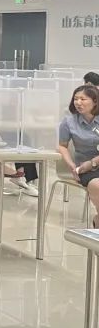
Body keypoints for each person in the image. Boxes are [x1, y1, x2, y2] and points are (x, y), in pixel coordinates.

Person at [58, 84, 99, 228]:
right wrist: (71, 165)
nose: (78, 102)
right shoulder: (69, 122)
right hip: (85, 169)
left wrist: (93, 162)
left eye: (83, 99)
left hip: (93, 163)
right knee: (96, 185)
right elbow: (62, 146)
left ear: (95, 101)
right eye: (76, 99)